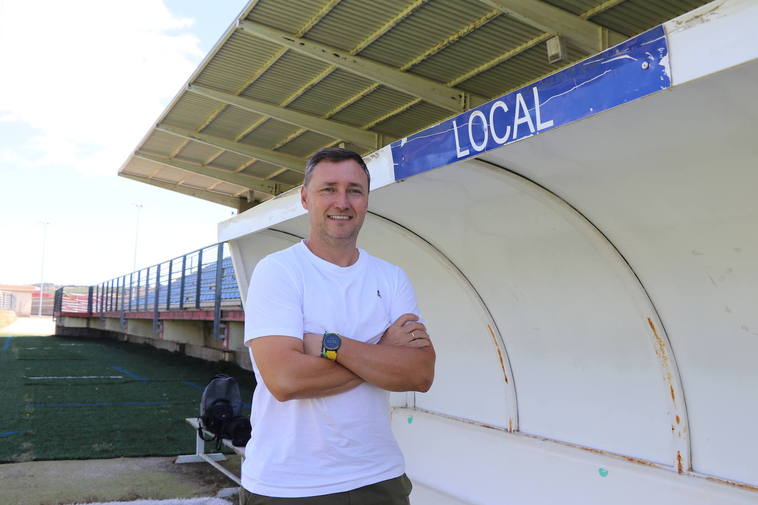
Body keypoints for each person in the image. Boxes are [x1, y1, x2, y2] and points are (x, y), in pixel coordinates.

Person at [240, 147, 436, 504]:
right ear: (304, 198)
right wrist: (381, 356)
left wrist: (332, 345)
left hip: (379, 479)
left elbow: (420, 374)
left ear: (366, 200)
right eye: (328, 189)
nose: (342, 202)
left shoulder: (390, 278)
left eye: (354, 190)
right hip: (289, 486)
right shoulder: (279, 271)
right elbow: (285, 380)